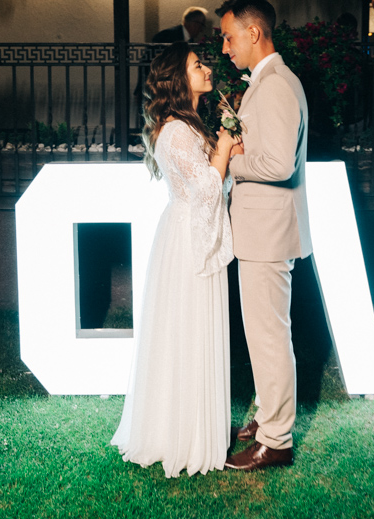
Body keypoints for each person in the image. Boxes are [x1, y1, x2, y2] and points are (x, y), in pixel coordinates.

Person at [111, 42, 239, 478]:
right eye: (197, 65)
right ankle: (183, 435)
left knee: (192, 331)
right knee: (188, 331)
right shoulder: (176, 131)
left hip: (191, 232)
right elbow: (205, 188)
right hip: (188, 240)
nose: (207, 69)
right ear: (179, 80)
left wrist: (227, 148)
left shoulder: (187, 125)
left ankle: (196, 427)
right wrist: (225, 147)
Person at [216, 0, 312, 472]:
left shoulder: (275, 85)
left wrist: (232, 159)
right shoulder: (268, 82)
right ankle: (266, 416)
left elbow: (277, 165)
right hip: (263, 230)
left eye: (229, 38)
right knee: (264, 336)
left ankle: (276, 440)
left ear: (254, 33)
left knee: (269, 337)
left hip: (268, 233)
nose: (225, 48)